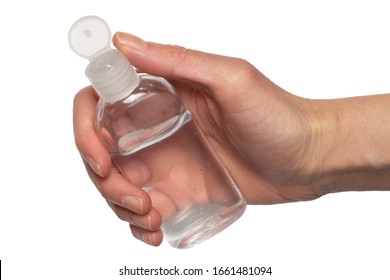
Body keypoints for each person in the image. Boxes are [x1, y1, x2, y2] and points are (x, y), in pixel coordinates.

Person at [73, 32, 390, 246]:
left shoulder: (155, 87)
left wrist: (313, 147)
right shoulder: (106, 118)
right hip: (185, 224)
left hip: (228, 201)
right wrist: (313, 151)